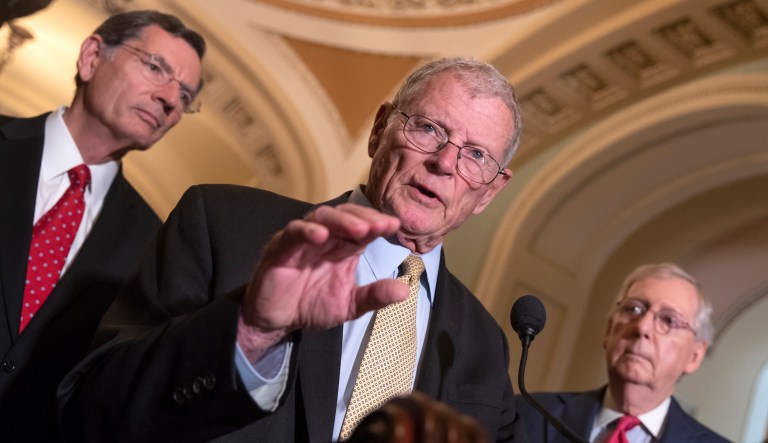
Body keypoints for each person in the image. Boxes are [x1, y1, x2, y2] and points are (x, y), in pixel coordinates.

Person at [57, 57, 529, 442]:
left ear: (489, 192)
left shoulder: (484, 346)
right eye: (427, 128)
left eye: (475, 155)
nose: (445, 162)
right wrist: (252, 330)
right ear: (379, 129)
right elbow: (90, 406)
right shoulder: (223, 225)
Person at [0, 10, 205, 441]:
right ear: (92, 56)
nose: (170, 99)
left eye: (185, 96)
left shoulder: (157, 243)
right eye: (155, 68)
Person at [515, 263, 729, 442]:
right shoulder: (524, 414)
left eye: (669, 320)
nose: (642, 327)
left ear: (695, 356)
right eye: (633, 309)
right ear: (608, 330)